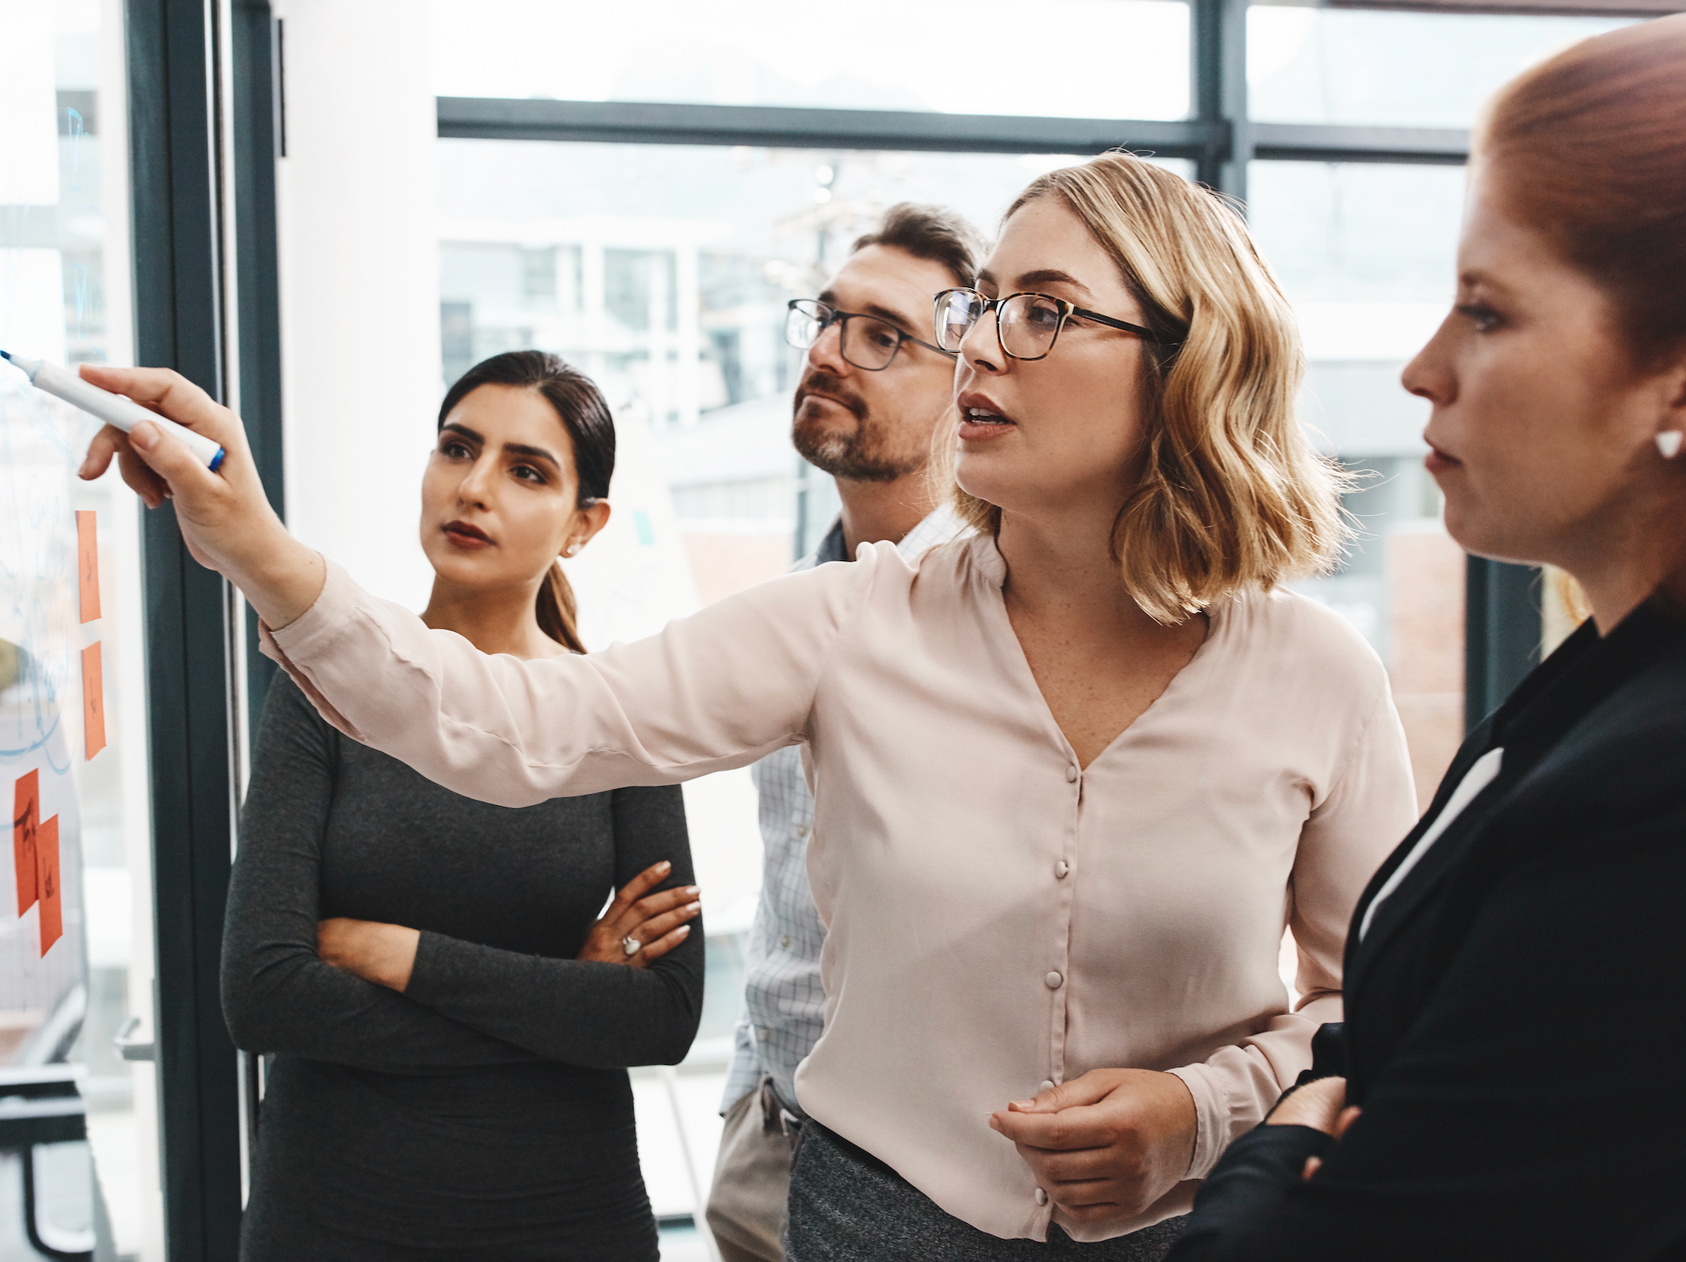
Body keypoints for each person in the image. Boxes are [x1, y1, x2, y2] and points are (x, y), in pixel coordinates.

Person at [81, 152, 1418, 1257]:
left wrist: (1197, 1110)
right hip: (871, 1218)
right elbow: (513, 727)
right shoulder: (850, 620)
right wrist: (255, 539)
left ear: (1188, 363)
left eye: (1046, 311)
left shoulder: (1314, 676)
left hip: (1200, 1230)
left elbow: (1384, 1008)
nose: (980, 351)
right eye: (983, 308)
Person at [1167, 16, 1686, 1261]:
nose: (1421, 369)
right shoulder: (1599, 674)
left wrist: (1273, 1152)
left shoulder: (1653, 795)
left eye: (1487, 313)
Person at [220, 351, 705, 1262]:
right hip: (334, 1217)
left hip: (567, 1217)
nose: (474, 487)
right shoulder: (325, 689)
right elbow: (265, 995)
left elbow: (663, 1018)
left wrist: (402, 955)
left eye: (527, 471)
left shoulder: (621, 714)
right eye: (457, 449)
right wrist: (568, 996)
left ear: (583, 524)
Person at [705, 202, 984, 1262]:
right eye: (827, 318)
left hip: (924, 1182)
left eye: (882, 335)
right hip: (767, 1142)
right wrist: (748, 1096)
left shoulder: (1005, 624)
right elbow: (793, 894)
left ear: (972, 392)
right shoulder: (792, 605)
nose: (828, 351)